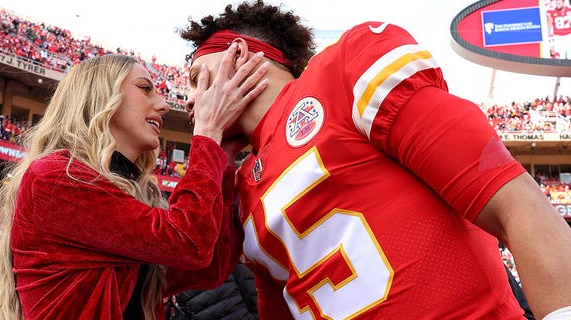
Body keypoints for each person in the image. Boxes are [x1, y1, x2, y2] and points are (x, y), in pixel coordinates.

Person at [180, 1, 571, 319]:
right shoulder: (240, 189)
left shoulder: (344, 69)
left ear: (239, 53)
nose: (191, 100)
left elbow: (513, 199)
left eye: (197, 77)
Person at [0, 52, 269, 320]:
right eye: (145, 88)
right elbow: (187, 242)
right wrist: (207, 134)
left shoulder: (128, 189)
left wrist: (225, 156)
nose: (164, 105)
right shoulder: (54, 177)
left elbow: (208, 268)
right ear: (99, 97)